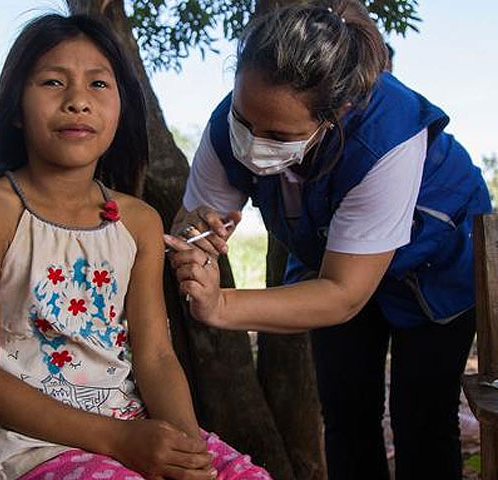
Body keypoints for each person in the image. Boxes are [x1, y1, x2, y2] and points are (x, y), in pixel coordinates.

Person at [163, 1, 492, 479]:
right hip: (328, 260)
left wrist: (220, 305)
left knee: (421, 415)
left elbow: (342, 294)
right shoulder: (233, 123)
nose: (252, 142)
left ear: (337, 113)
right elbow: (192, 222)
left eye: (277, 134)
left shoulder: (386, 136)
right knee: (345, 410)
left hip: (435, 267)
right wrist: (194, 243)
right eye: (244, 120)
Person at [0, 13, 272, 480]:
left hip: (135, 432)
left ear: (121, 107)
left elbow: (156, 357)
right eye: (53, 82)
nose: (78, 101)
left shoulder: (137, 222)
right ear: (16, 108)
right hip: (33, 450)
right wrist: (121, 441)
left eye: (99, 85)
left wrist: (186, 449)